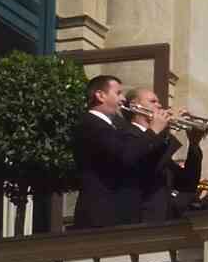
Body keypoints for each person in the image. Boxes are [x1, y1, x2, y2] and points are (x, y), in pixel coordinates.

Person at [72, 74, 172, 229]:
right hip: (101, 215)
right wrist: (153, 131)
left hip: (119, 214)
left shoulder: (114, 126)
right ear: (100, 95)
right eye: (118, 93)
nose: (123, 99)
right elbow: (126, 155)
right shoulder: (90, 124)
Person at [119, 88, 205, 223]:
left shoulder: (159, 143)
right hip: (140, 218)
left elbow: (187, 183)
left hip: (164, 219)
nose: (159, 105)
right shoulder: (127, 134)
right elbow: (149, 167)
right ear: (136, 105)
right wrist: (167, 131)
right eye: (153, 101)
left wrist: (194, 144)